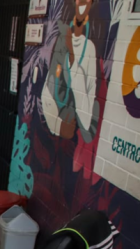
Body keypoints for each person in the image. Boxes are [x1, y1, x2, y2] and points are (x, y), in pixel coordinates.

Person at [40, 0, 98, 143]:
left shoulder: (89, 48)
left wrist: (71, 54)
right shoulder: (61, 40)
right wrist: (57, 125)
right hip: (57, 128)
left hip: (73, 135)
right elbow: (47, 89)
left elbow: (87, 102)